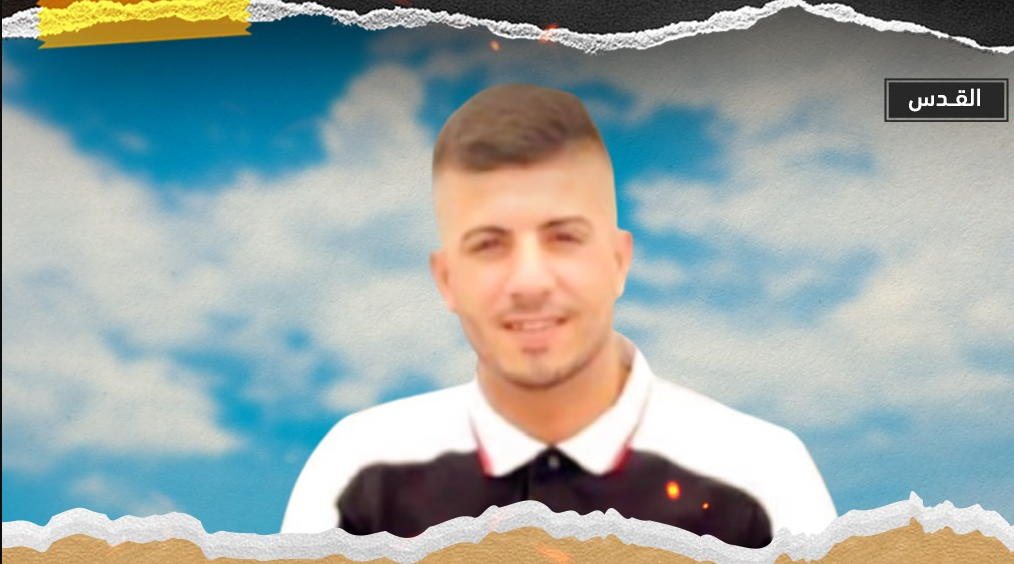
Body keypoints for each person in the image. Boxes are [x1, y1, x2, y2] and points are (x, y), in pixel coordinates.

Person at [280, 84, 837, 547]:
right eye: (489, 244)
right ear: (446, 279)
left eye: (563, 237)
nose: (530, 281)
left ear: (618, 261)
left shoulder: (764, 476)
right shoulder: (357, 472)